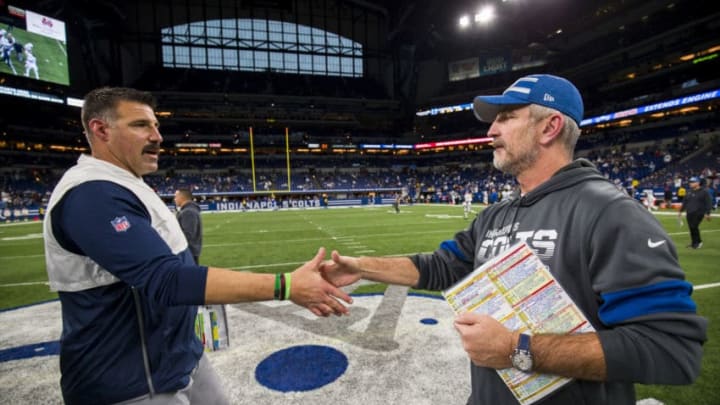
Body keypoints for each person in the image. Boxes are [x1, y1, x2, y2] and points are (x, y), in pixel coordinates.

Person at [322, 74, 707, 404]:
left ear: (549, 127)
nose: (491, 131)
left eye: (506, 118)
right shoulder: (497, 214)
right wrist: (360, 267)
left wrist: (515, 349)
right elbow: (442, 266)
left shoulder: (609, 212)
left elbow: (671, 348)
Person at [42, 87, 352, 405]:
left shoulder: (128, 184)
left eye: (156, 125)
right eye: (140, 125)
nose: (157, 136)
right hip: (131, 382)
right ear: (100, 129)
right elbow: (167, 280)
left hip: (178, 358)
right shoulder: (91, 194)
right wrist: (285, 285)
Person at [678, 176, 712, 249]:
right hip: (689, 212)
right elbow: (685, 202)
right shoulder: (689, 191)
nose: (691, 184)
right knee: (691, 228)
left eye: (693, 182)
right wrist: (680, 211)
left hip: (699, 213)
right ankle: (695, 242)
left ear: (698, 183)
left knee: (694, 226)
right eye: (690, 182)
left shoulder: (704, 192)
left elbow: (708, 203)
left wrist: (707, 213)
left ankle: (697, 243)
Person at [174, 187, 202, 264]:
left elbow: (188, 235)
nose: (174, 199)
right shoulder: (188, 210)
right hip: (189, 252)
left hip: (188, 253)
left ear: (181, 197)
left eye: (176, 196)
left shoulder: (188, 212)